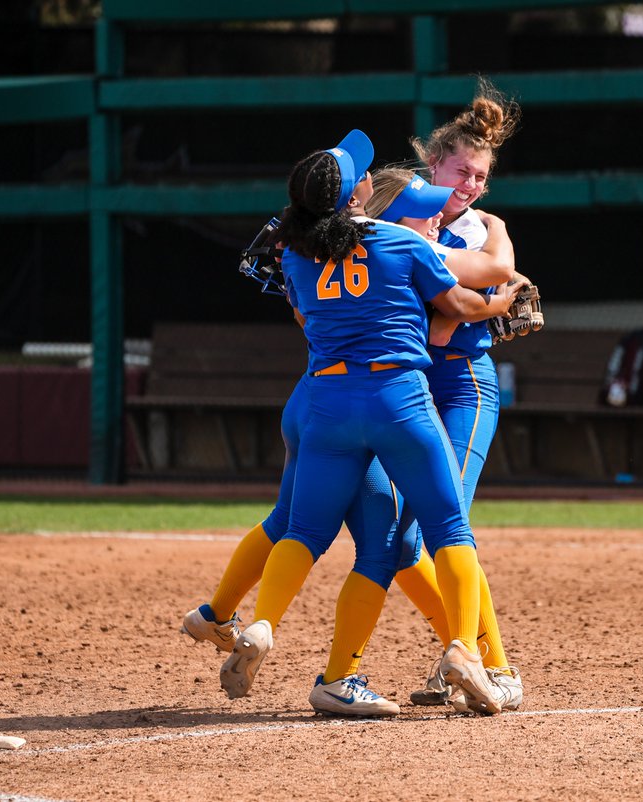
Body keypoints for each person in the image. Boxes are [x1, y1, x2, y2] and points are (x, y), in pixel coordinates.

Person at [217, 129, 521, 715]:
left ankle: (260, 624)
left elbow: (308, 317)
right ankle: (465, 649)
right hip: (396, 398)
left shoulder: (297, 254)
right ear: (357, 194)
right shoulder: (398, 244)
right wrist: (506, 294)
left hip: (326, 402)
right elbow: (457, 307)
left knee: (302, 528)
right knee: (448, 528)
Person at [385, 82, 527, 713]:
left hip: (463, 383)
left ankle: (491, 667)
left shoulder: (475, 229)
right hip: (405, 388)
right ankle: (463, 655)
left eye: (480, 176)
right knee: (401, 543)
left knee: (449, 526)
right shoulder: (400, 211)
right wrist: (476, 299)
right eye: (460, 171)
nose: (470, 184)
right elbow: (457, 303)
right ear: (433, 165)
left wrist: (464, 303)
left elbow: (457, 314)